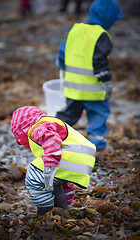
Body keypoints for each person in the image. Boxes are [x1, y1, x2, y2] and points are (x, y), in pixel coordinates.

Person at [53, 0, 123, 151]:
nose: (112, 24)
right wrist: (107, 83)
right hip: (93, 90)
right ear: (107, 17)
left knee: (68, 115)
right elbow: (99, 62)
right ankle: (95, 146)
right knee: (98, 115)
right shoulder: (101, 35)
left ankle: (51, 135)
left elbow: (63, 50)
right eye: (113, 20)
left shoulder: (76, 29)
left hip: (73, 87)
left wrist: (59, 61)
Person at [11, 106, 96, 215]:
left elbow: (52, 139)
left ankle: (45, 211)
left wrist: (49, 166)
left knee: (34, 176)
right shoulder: (48, 122)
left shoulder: (34, 128)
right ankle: (63, 209)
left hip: (70, 155)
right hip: (82, 157)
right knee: (56, 180)